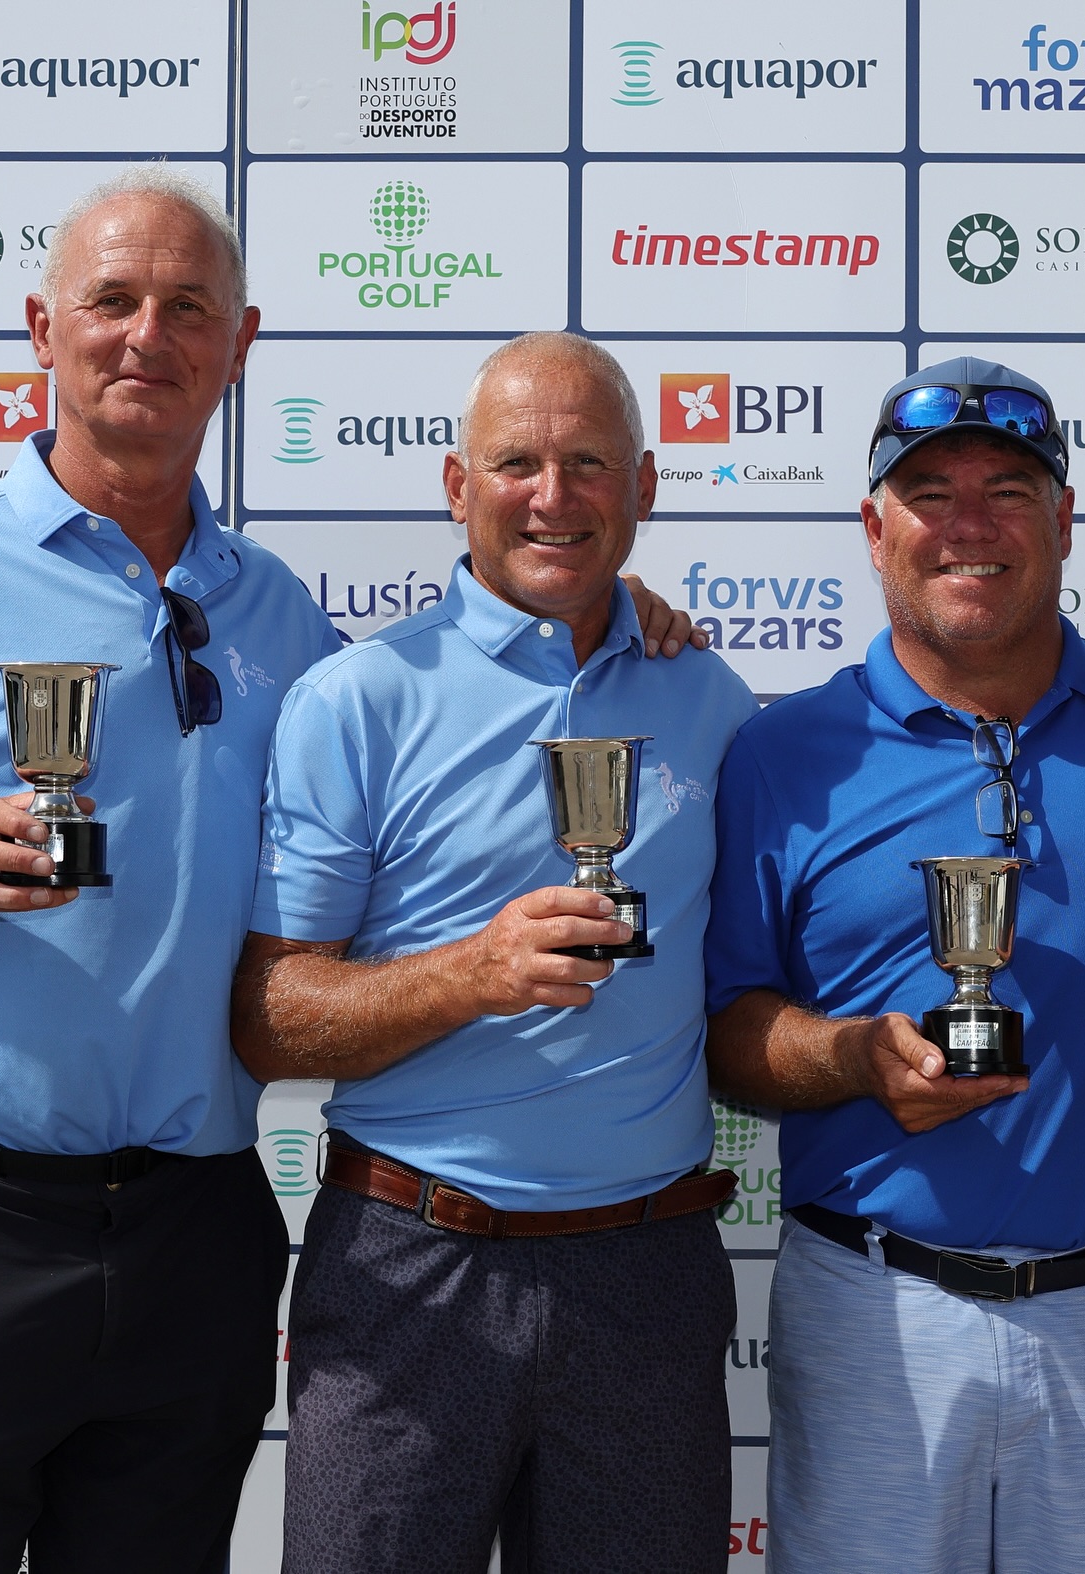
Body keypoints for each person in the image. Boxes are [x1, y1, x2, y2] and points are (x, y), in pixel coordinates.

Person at [0, 172, 699, 1574]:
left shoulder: (280, 614)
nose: (149, 335)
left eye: (188, 307)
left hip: (195, 1218)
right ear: (43, 329)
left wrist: (607, 611)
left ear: (240, 344)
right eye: (113, 300)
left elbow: (434, 772)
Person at [703, 357, 1085, 1573]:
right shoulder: (783, 752)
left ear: (1064, 519)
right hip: (873, 1313)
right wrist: (852, 1054)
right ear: (874, 527)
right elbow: (727, 1030)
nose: (968, 524)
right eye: (929, 493)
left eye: (1007, 490)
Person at [230, 331, 757, 1574]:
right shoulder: (358, 698)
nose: (552, 496)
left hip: (648, 1271)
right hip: (412, 1265)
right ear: (457, 486)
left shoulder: (711, 699)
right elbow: (270, 1015)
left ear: (644, 486)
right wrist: (471, 972)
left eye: (589, 464)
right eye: (516, 462)